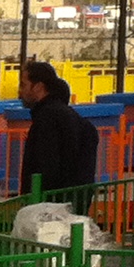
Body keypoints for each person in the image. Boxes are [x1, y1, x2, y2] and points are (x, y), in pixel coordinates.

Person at [18, 60, 99, 196]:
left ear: (38, 87)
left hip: (50, 207)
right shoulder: (74, 118)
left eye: (23, 85)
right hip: (75, 201)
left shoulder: (47, 119)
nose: (20, 92)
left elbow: (46, 166)